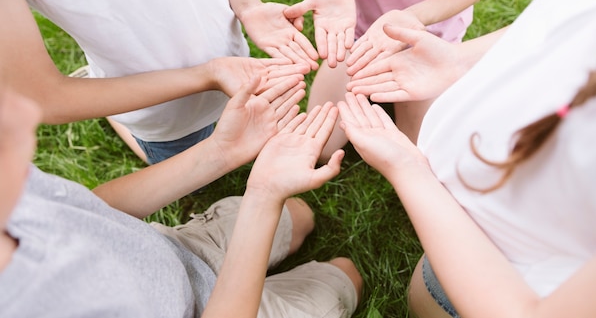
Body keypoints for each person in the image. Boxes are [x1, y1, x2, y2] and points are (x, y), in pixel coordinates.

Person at [337, 0, 596, 318]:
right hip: (471, 224)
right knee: (428, 288)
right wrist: (458, 61)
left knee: (436, 296)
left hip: (509, 273)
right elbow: (564, 28)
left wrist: (408, 169)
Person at [0, 75, 362, 317]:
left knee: (300, 216)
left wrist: (220, 152)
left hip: (175, 254)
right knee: (346, 277)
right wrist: (264, 194)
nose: (25, 110)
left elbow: (89, 211)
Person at [0, 0, 318, 165]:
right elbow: (46, 98)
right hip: (155, 104)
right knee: (191, 174)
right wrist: (208, 74)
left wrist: (248, 6)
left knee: (237, 136)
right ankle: (113, 110)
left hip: (229, 54)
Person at [284, 0, 566, 161]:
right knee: (317, 149)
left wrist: (411, 19)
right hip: (361, 28)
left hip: (430, 42)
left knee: (422, 163)